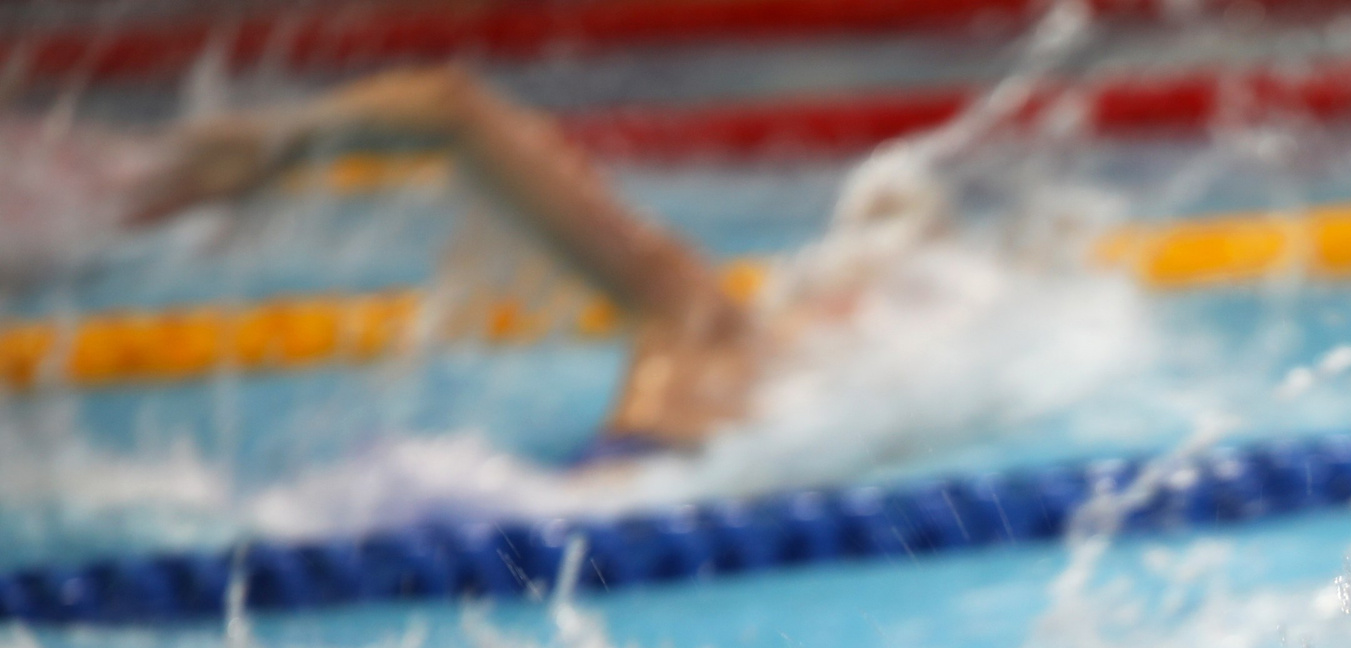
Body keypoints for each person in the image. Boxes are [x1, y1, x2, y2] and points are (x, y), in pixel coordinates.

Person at [118, 64, 949, 458]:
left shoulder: (712, 335)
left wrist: (277, 144)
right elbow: (456, 106)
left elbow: (452, 107)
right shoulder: (714, 327)